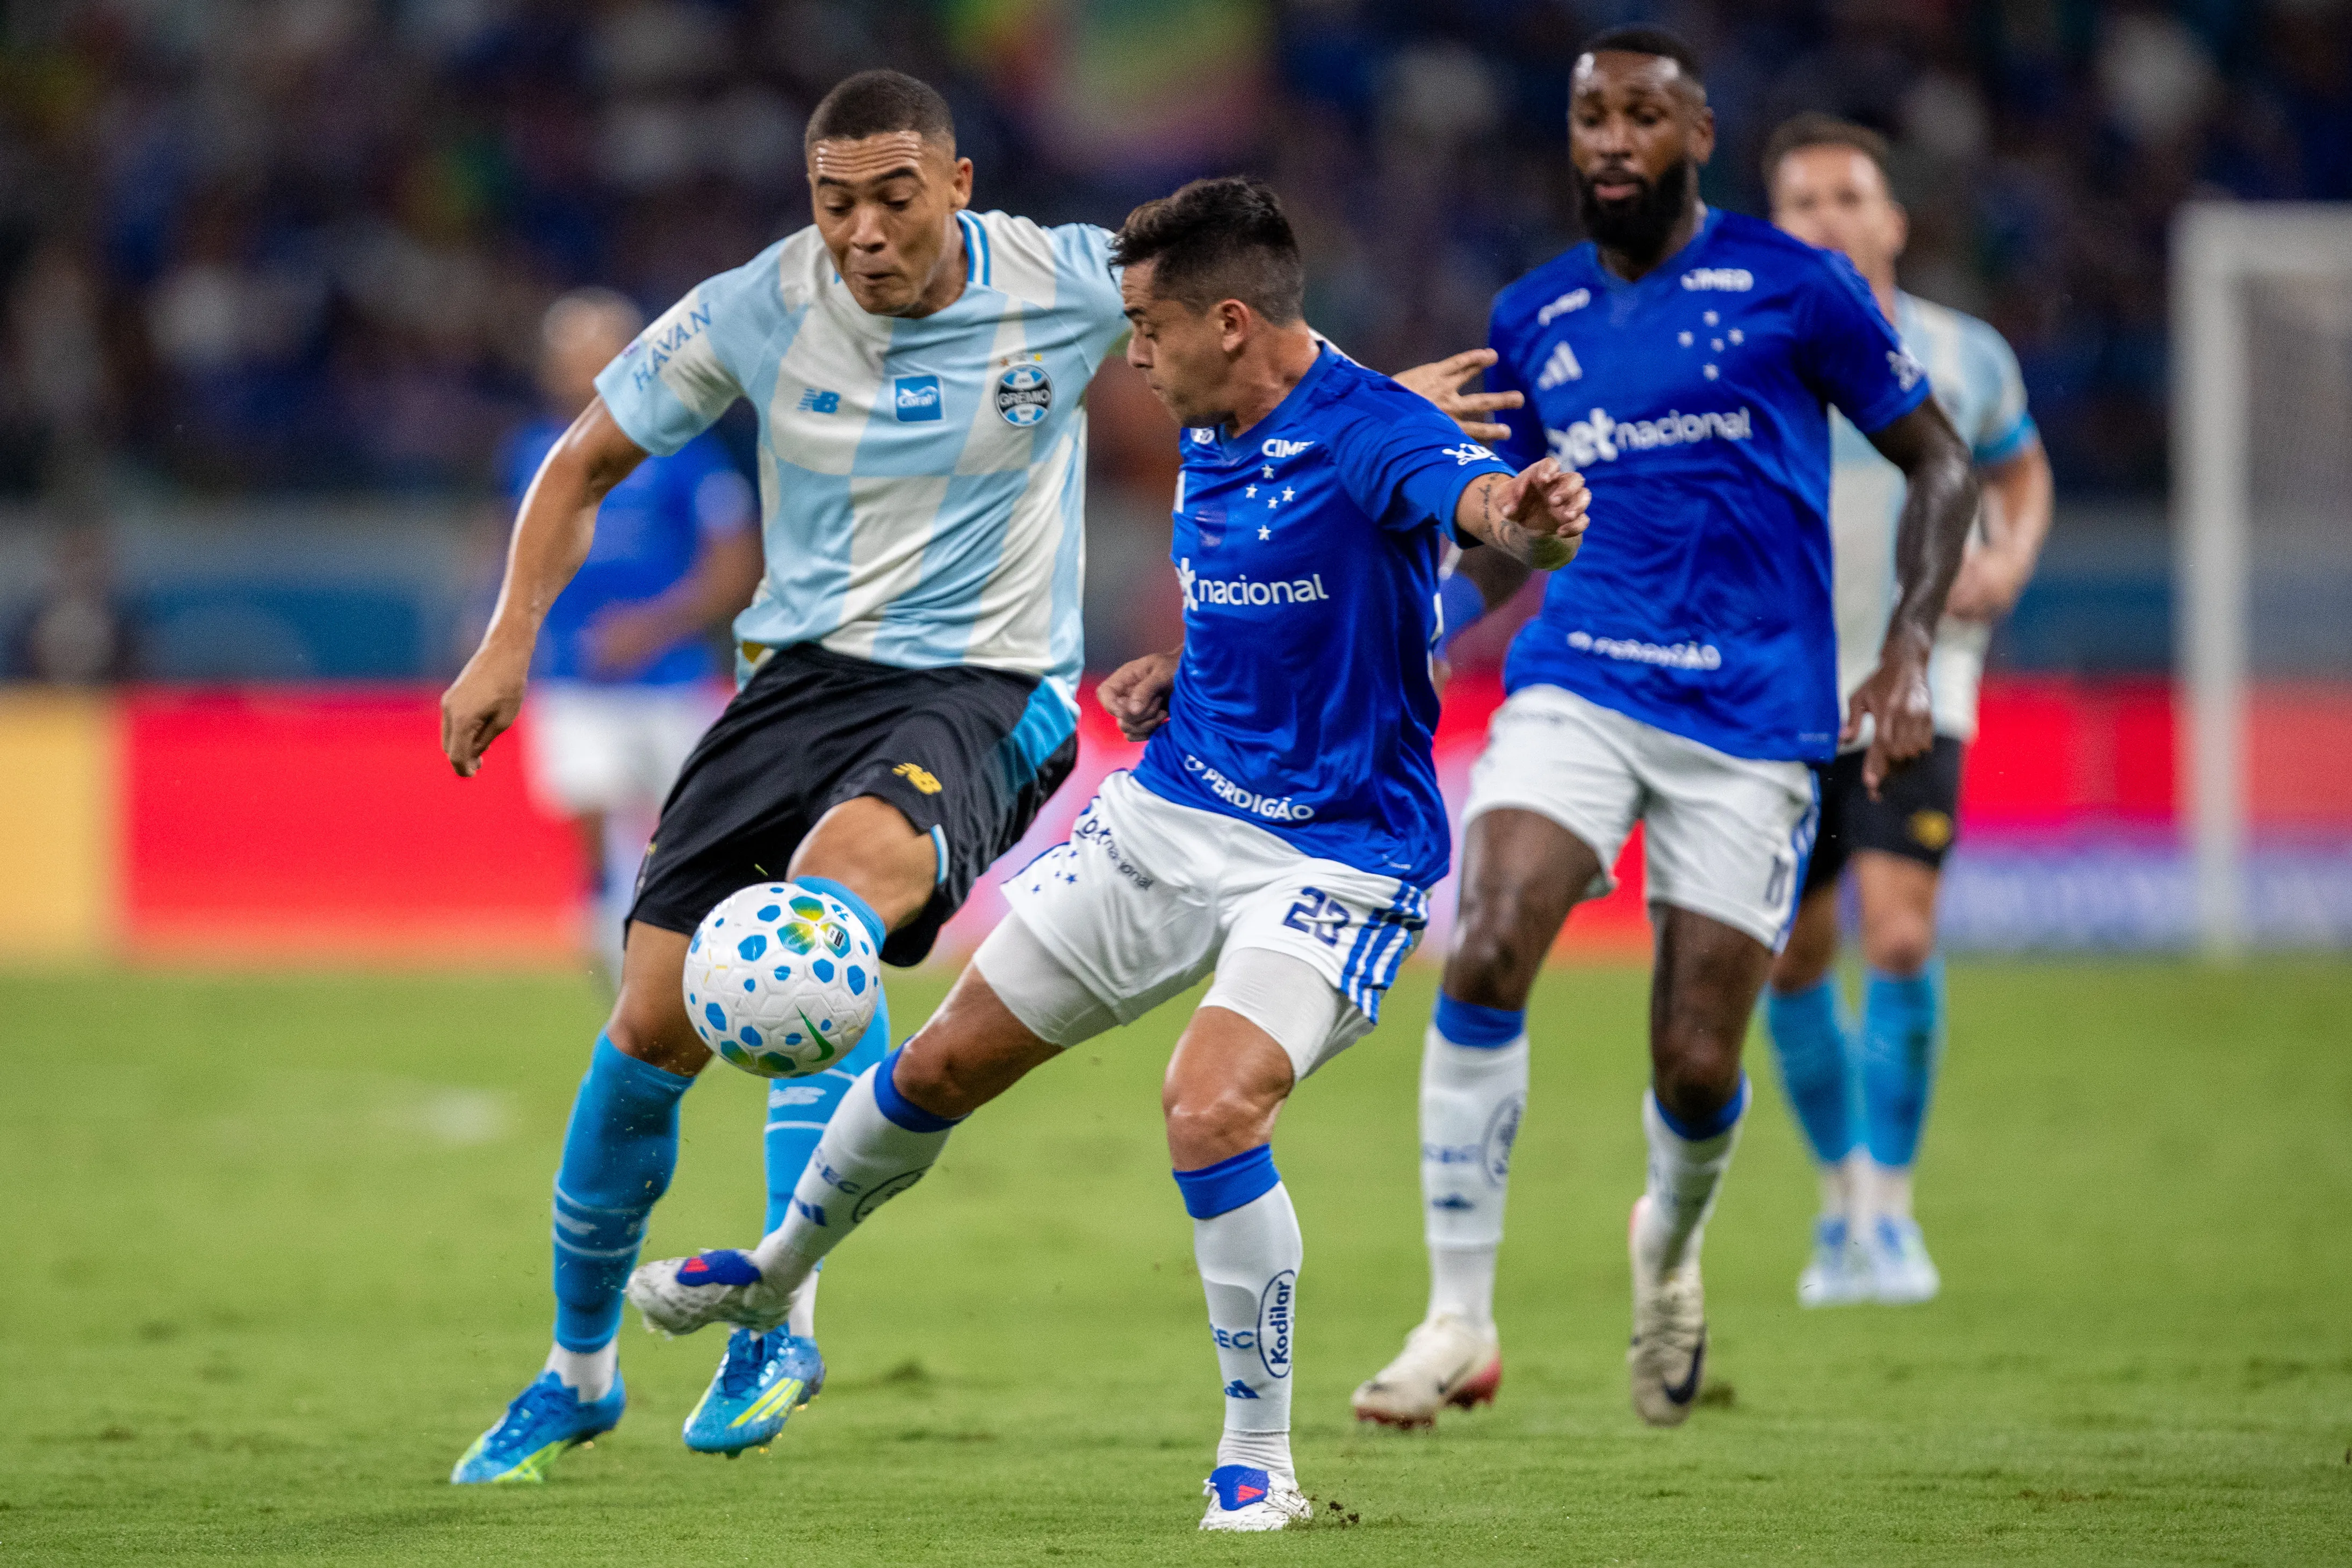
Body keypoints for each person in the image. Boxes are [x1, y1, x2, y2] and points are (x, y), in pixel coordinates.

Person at [438, 69, 1506, 1487]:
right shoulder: (755, 304)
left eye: (893, 197)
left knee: (823, 912)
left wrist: (1368, 416)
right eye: (834, 204)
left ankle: (777, 1321)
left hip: (986, 686)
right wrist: (508, 637)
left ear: (954, 184)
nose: (864, 232)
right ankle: (577, 1370)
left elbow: (1240, 320)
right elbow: (585, 461)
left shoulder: (1065, 279)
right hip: (793, 684)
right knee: (645, 1031)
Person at [619, 175, 1589, 1531]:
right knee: (939, 1065)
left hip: (1335, 857)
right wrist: (1180, 674)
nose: (1128, 355)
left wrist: (1519, 514)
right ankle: (774, 1278)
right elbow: (1283, 591)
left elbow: (1471, 501)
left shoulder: (1374, 431)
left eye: (1146, 328)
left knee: (1210, 1107)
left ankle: (1258, 1462)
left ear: (1229, 323)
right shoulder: (1215, 413)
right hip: (1172, 808)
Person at [1348, 27, 1980, 1432]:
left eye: (1642, 116)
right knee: (1489, 934)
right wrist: (1425, 614)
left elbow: (1940, 462)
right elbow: (1515, 529)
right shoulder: (1533, 314)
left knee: (1695, 1062)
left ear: (1697, 135)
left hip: (1754, 715)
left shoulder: (1794, 286)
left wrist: (1906, 651)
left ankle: (1669, 1248)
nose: (1612, 141)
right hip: (1582, 679)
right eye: (1591, 118)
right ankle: (1456, 1315)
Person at [1760, 114, 2055, 1307]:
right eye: (1802, 202)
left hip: (1919, 681)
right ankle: (1837, 1201)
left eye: (1848, 197)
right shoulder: (1746, 357)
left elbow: (2018, 468)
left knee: (1895, 937)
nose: (1827, 218)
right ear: (1772, 227)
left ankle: (1888, 1209)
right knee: (1790, 957)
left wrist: (2011, 557)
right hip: (1776, 696)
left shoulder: (1962, 354)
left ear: (1891, 219)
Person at [502, 290, 762, 986]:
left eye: (600, 357)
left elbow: (734, 563)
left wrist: (653, 626)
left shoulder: (683, 450)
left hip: (670, 680)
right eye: (570, 360)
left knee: (694, 830)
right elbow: (504, 546)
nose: (585, 375)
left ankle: (709, 959)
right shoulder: (531, 453)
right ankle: (616, 969)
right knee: (591, 821)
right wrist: (500, 633)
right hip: (572, 677)